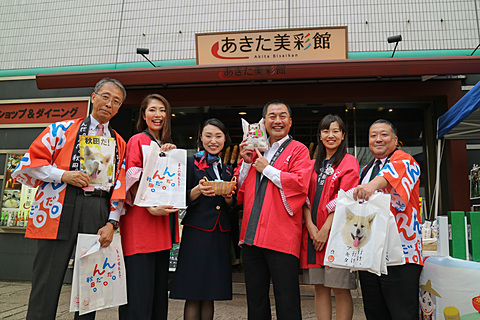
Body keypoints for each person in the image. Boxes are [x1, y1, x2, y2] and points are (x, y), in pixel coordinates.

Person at [12, 78, 127, 320]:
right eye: (105, 96)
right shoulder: (60, 129)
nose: (109, 104)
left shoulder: (119, 143)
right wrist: (63, 175)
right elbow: (30, 163)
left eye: (116, 101)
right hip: (59, 206)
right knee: (47, 279)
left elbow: (120, 183)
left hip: (98, 208)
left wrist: (112, 223)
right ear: (93, 97)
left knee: (91, 281)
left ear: (119, 109)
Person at [237, 100, 311, 320]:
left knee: (287, 299)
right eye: (272, 116)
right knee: (255, 299)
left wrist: (266, 168)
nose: (277, 121)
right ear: (263, 122)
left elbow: (299, 185)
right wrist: (246, 162)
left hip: (282, 236)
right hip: (252, 235)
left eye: (282, 116)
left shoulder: (299, 149)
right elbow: (241, 190)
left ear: (290, 122)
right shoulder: (256, 149)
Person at [353, 119, 423, 320]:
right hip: (370, 255)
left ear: (395, 139)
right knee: (375, 312)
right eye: (373, 135)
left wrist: (372, 185)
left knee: (402, 313)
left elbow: (394, 173)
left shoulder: (405, 159)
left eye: (384, 134)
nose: (378, 139)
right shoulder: (366, 169)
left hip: (401, 253)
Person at [118, 94, 179, 320]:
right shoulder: (137, 140)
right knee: (138, 293)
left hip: (160, 226)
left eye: (162, 110)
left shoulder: (163, 144)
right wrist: (149, 205)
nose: (158, 115)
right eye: (152, 110)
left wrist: (168, 155)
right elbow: (130, 178)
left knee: (157, 293)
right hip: (141, 225)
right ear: (143, 115)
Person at [170, 118, 236, 320]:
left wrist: (228, 199)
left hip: (219, 235)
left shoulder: (227, 169)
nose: (213, 141)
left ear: (225, 139)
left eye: (218, 136)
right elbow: (178, 198)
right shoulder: (190, 163)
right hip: (196, 233)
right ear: (201, 138)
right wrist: (198, 190)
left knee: (210, 293)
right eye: (208, 136)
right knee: (193, 292)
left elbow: (231, 207)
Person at [300, 115, 359, 320]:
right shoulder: (310, 164)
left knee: (340, 288)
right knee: (320, 288)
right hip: (313, 235)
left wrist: (325, 229)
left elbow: (346, 198)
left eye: (335, 131)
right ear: (320, 136)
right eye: (326, 131)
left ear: (343, 135)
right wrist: (310, 226)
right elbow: (303, 198)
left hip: (337, 235)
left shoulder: (349, 162)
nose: (330, 135)